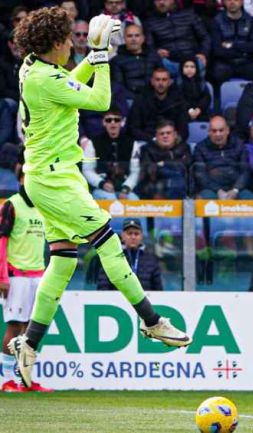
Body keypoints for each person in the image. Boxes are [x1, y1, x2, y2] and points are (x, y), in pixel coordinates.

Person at [8, 7, 190, 390]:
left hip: (54, 175)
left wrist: (90, 58)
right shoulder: (45, 77)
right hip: (56, 178)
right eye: (66, 42)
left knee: (62, 260)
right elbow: (101, 99)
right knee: (110, 244)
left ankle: (30, 342)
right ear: (53, 44)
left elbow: (68, 82)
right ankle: (152, 321)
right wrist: (103, 56)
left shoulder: (32, 68)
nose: (69, 46)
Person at [0, 172, 52, 392]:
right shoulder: (11, 205)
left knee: (30, 330)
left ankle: (24, 380)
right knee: (15, 327)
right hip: (16, 275)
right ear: (22, 179)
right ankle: (6, 381)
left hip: (38, 275)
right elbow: (1, 242)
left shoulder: (42, 207)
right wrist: (2, 276)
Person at [81, 109, 142, 200]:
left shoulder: (132, 143)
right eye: (108, 120)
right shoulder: (93, 143)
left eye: (116, 120)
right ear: (103, 122)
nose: (113, 123)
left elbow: (135, 171)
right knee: (109, 198)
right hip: (101, 188)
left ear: (122, 122)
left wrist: (126, 187)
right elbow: (87, 169)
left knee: (134, 201)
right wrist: (101, 183)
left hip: (125, 188)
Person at [192, 115, 253, 200]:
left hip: (236, 187)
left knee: (248, 197)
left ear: (227, 130)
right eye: (214, 131)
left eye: (221, 130)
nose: (218, 134)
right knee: (206, 198)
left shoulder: (239, 145)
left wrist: (235, 190)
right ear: (209, 132)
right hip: (211, 189)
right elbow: (200, 174)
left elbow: (245, 171)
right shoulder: (200, 148)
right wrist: (218, 191)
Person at [95, 218, 162, 291]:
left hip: (144, 301)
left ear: (141, 236)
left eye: (136, 234)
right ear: (123, 235)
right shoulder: (112, 257)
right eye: (129, 233)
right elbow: (102, 288)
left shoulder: (151, 260)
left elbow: (158, 290)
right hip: (116, 300)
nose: (133, 237)